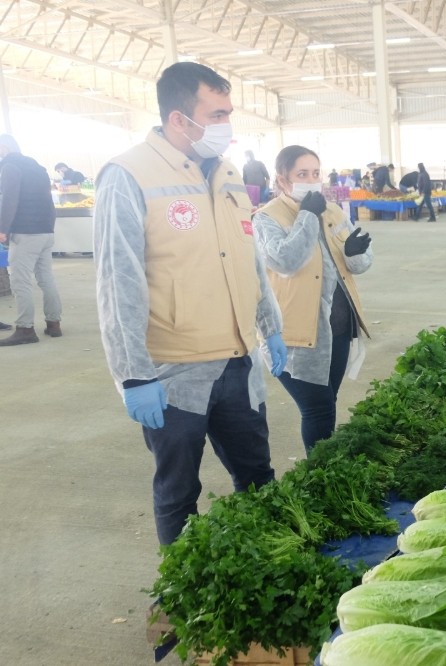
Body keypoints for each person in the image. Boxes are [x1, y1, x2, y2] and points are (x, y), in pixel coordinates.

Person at [93, 62, 287, 546]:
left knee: (257, 476)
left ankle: (264, 562)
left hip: (238, 362)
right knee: (179, 489)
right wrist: (133, 373)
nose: (227, 126)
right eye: (217, 114)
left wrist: (269, 324)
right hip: (174, 370)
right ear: (180, 119)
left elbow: (250, 259)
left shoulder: (227, 172)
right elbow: (119, 280)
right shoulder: (128, 174)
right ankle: (181, 596)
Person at [253, 145, 372, 454]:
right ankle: (320, 472)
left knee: (327, 402)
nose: (311, 179)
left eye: (316, 173)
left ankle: (324, 467)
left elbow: (359, 264)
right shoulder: (267, 218)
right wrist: (307, 214)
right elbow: (285, 261)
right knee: (317, 408)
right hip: (297, 333)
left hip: (339, 327)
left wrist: (355, 254)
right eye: (302, 174)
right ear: (282, 180)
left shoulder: (332, 211)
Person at [0, 134, 63, 346]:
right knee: (46, 278)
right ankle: (54, 323)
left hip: (25, 232)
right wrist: (49, 228)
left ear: (5, 147)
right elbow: (48, 200)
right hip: (45, 231)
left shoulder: (10, 166)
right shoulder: (38, 168)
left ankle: (25, 328)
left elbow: (9, 198)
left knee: (20, 280)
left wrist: (2, 229)